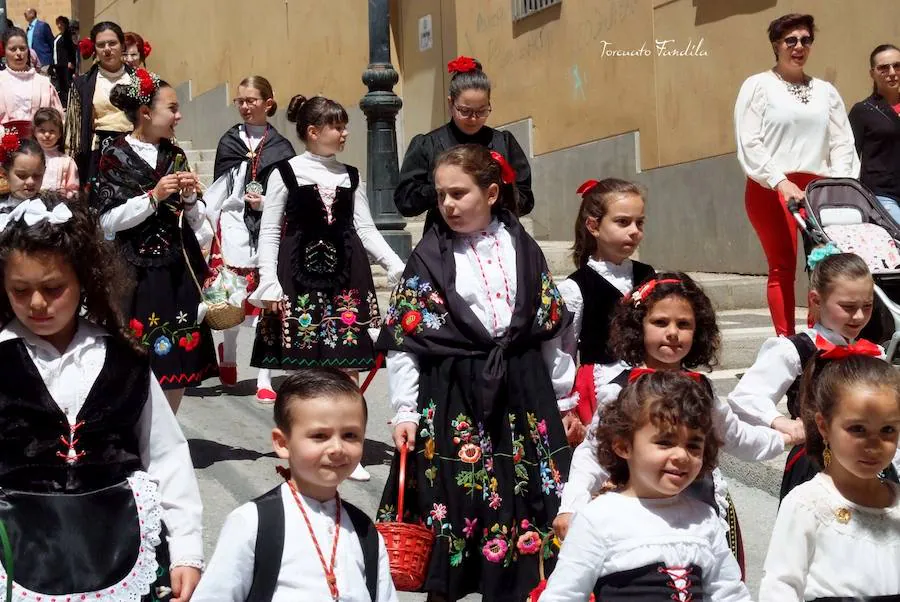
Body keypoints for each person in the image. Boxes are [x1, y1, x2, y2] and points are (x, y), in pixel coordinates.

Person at [376, 144, 578, 601]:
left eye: (458, 193)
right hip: (454, 393)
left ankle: (525, 588)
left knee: (527, 495)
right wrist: (405, 411)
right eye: (440, 195)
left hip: (525, 391)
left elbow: (550, 330)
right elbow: (407, 342)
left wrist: (564, 398)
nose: (447, 204)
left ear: (491, 192)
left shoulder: (523, 249)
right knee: (459, 496)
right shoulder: (428, 258)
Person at [0, 195, 203, 601]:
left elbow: (166, 454)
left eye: (53, 288)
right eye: (20, 291)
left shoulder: (124, 359)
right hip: (17, 547)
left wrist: (186, 549)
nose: (37, 303)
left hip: (117, 541)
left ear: (84, 281)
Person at [553, 274, 788, 575]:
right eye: (660, 323)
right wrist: (572, 504)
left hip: (699, 510)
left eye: (684, 324)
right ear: (638, 327)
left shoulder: (702, 389)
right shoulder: (621, 390)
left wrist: (782, 438)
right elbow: (592, 453)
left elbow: (736, 437)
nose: (673, 333)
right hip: (638, 514)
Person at [250, 94, 403, 482]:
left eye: (344, 124)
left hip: (346, 278)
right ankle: (306, 442)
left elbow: (364, 229)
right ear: (313, 132)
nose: (344, 132)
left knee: (348, 363)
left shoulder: (351, 176)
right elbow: (269, 231)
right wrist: (268, 279)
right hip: (298, 278)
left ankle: (351, 453)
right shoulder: (284, 173)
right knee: (308, 369)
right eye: (337, 126)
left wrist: (396, 264)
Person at [538, 372, 751, 601]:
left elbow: (729, 593)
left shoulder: (703, 518)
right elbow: (563, 595)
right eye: (665, 442)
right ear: (623, 446)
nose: (681, 455)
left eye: (693, 446)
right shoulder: (597, 519)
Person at [193, 368, 399, 602]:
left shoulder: (364, 532)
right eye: (320, 436)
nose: (337, 448)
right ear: (282, 443)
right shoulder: (254, 523)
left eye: (350, 435)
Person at [90, 69, 217, 414]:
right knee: (134, 358)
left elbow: (196, 223)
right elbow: (106, 222)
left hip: (175, 269)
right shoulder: (113, 155)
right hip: (133, 272)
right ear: (146, 112)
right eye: (172, 108)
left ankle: (167, 436)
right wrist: (152, 197)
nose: (179, 116)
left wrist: (191, 199)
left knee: (177, 362)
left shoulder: (174, 154)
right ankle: (134, 436)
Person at [726, 251, 897, 499]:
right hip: (817, 462)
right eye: (848, 307)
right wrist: (783, 423)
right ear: (816, 301)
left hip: (870, 458)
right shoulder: (795, 350)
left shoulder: (872, 352)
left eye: (867, 306)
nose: (859, 316)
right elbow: (746, 396)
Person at [734, 13, 860, 336]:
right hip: (771, 187)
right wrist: (780, 180)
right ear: (777, 44)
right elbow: (750, 140)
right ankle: (787, 344)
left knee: (824, 266)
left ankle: (820, 340)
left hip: (818, 189)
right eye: (791, 40)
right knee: (783, 266)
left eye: (805, 40)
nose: (799, 46)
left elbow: (843, 142)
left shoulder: (826, 92)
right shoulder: (758, 86)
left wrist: (841, 185)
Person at [759, 354, 900, 601]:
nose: (874, 444)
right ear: (824, 426)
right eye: (858, 429)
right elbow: (780, 586)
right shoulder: (808, 504)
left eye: (887, 430)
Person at [206, 75, 294, 399]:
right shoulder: (229, 142)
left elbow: (290, 189)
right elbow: (217, 191)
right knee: (231, 302)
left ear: (268, 103)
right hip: (233, 227)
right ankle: (228, 355)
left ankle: (264, 378)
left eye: (251, 100)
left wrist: (269, 201)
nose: (244, 106)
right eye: (240, 101)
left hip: (269, 229)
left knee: (266, 303)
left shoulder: (281, 147)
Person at [557, 178, 655, 426]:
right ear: (593, 226)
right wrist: (565, 405)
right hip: (603, 383)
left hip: (649, 379)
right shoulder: (576, 288)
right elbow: (564, 350)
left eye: (639, 223)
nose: (634, 231)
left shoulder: (648, 275)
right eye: (623, 222)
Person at [394, 55, 534, 228]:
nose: (474, 119)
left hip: (496, 233)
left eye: (482, 111)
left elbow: (526, 199)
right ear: (450, 104)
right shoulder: (429, 144)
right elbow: (405, 202)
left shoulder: (503, 142)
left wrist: (494, 193)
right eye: (465, 111)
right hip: (444, 238)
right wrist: (444, 190)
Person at [64, 21, 133, 186]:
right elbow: (73, 134)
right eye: (101, 45)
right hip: (100, 153)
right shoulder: (82, 84)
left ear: (122, 45)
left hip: (135, 150)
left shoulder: (139, 79)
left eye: (112, 43)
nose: (107, 49)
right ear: (95, 48)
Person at [849, 44, 900, 225]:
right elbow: (850, 154)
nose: (892, 72)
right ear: (872, 73)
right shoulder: (863, 111)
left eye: (897, 66)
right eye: (883, 68)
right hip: (882, 196)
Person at [0, 27, 63, 138]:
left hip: (39, 145)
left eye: (22, 48)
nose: (19, 53)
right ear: (4, 51)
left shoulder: (43, 83)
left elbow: (58, 117)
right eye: (13, 49)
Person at [33, 107, 78, 197]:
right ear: (34, 132)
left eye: (52, 131)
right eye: (42, 130)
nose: (47, 135)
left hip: (59, 206)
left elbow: (73, 189)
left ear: (59, 134)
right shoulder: (29, 157)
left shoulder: (67, 161)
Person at [0, 134, 45, 211]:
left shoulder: (53, 210)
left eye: (37, 175)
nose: (30, 182)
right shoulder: (2, 208)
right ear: (5, 174)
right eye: (22, 175)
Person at [51, 15, 77, 104]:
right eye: (58, 23)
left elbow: (72, 49)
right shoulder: (58, 36)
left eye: (61, 23)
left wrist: (71, 61)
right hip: (58, 64)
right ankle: (64, 102)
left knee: (67, 84)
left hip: (66, 64)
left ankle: (69, 102)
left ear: (65, 24)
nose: (59, 25)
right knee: (60, 84)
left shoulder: (68, 35)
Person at [23, 8, 53, 74]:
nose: (24, 15)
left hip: (43, 62)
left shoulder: (43, 26)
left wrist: (51, 61)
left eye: (25, 14)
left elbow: (51, 42)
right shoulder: (28, 29)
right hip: (32, 62)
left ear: (32, 14)